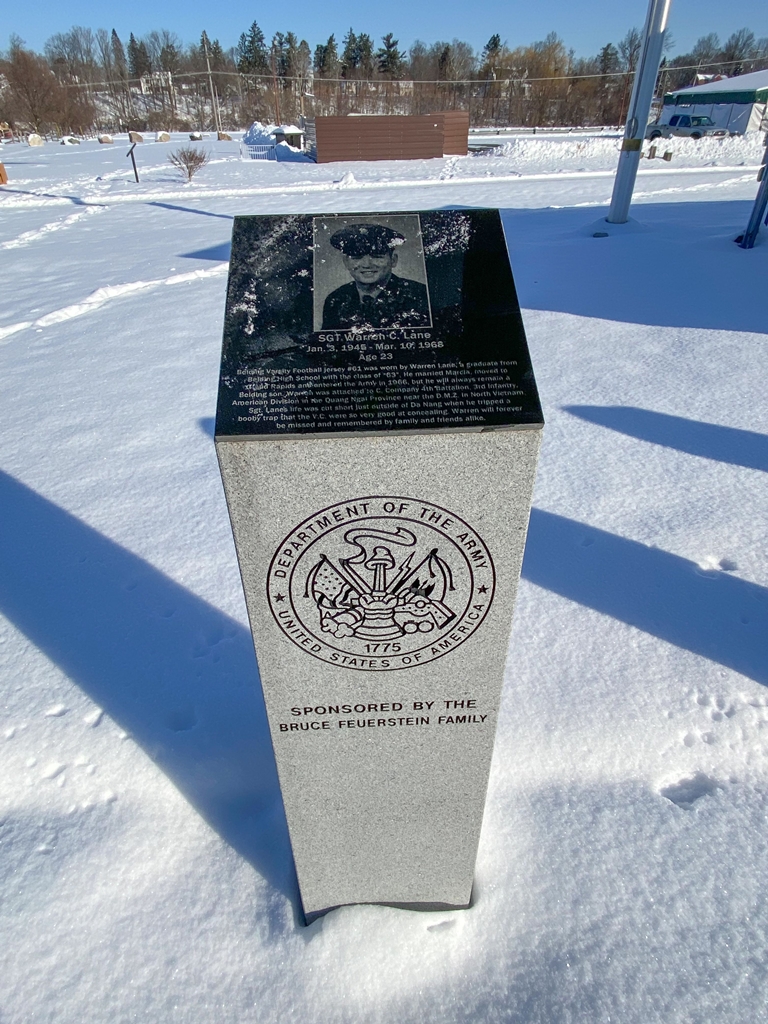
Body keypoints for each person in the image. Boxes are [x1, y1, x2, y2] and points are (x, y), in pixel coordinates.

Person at [321, 223, 430, 330]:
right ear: (346, 262)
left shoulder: (420, 295)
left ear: (393, 260)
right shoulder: (336, 300)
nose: (366, 265)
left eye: (377, 256)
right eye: (356, 257)